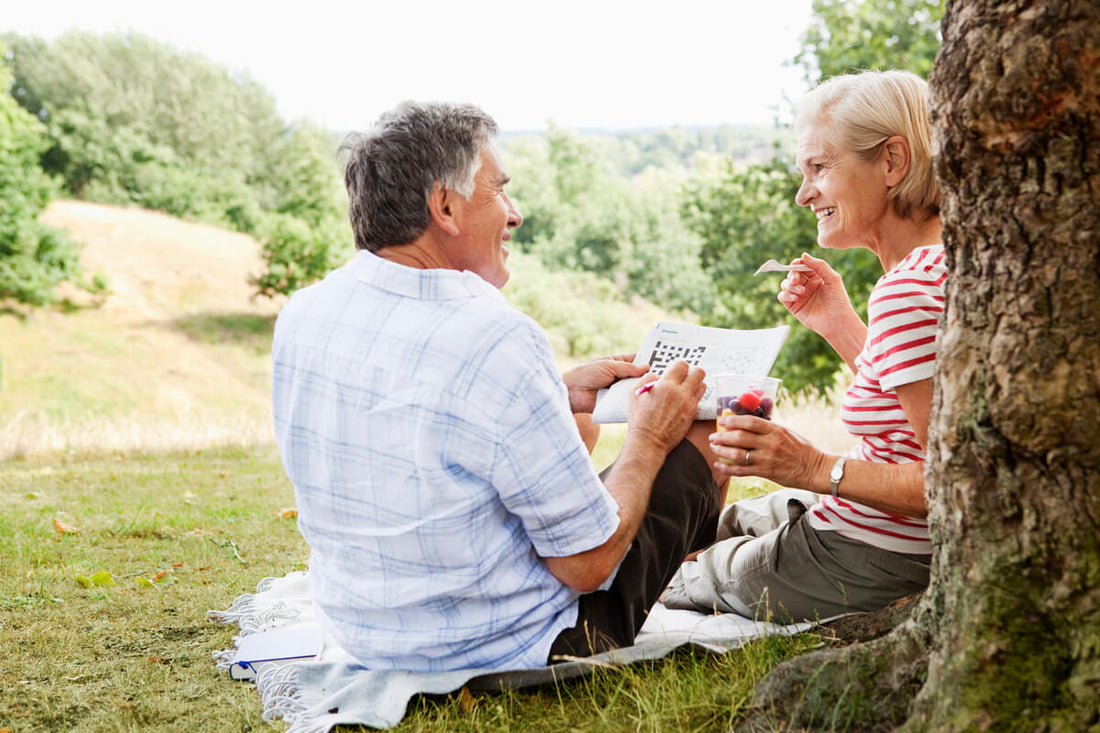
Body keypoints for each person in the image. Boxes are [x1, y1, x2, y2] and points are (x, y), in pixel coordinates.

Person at [271, 101, 728, 673]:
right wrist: (649, 439)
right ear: (444, 206)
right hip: (501, 648)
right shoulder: (493, 335)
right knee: (706, 425)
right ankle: (701, 582)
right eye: (498, 192)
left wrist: (554, 394)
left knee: (580, 421)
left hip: (366, 632)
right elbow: (587, 565)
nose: (513, 214)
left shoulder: (306, 313)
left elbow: (414, 423)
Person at [662, 69, 945, 622]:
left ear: (893, 162)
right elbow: (915, 413)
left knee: (662, 569)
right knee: (705, 532)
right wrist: (839, 323)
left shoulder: (907, 289)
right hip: (869, 525)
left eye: (820, 167)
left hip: (879, 552)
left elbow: (954, 481)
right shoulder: (941, 263)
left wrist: (810, 465)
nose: (802, 193)